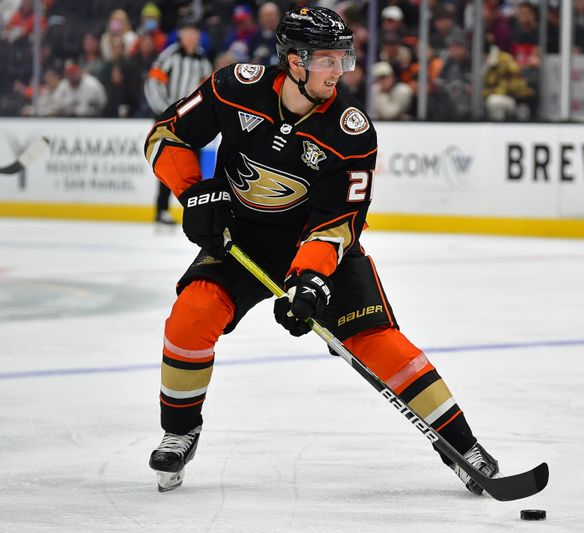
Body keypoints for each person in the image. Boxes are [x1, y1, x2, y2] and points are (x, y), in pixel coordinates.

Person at [143, 6, 500, 495]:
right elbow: (165, 135)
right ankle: (180, 430)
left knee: (378, 341)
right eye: (326, 60)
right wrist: (193, 192)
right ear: (293, 61)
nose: (338, 71)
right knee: (190, 316)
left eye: (342, 59)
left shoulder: (351, 132)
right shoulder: (235, 86)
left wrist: (308, 277)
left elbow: (339, 223)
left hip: (319, 249)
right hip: (240, 239)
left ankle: (463, 446)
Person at [144, 16, 212, 226]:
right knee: (169, 164)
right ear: (180, 35)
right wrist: (164, 113)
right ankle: (162, 209)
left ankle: (194, 212)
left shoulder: (202, 60)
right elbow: (153, 83)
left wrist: (203, 118)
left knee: (193, 169)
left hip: (193, 123)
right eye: (187, 32)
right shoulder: (170, 56)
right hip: (170, 122)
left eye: (194, 32)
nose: (191, 36)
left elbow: (209, 92)